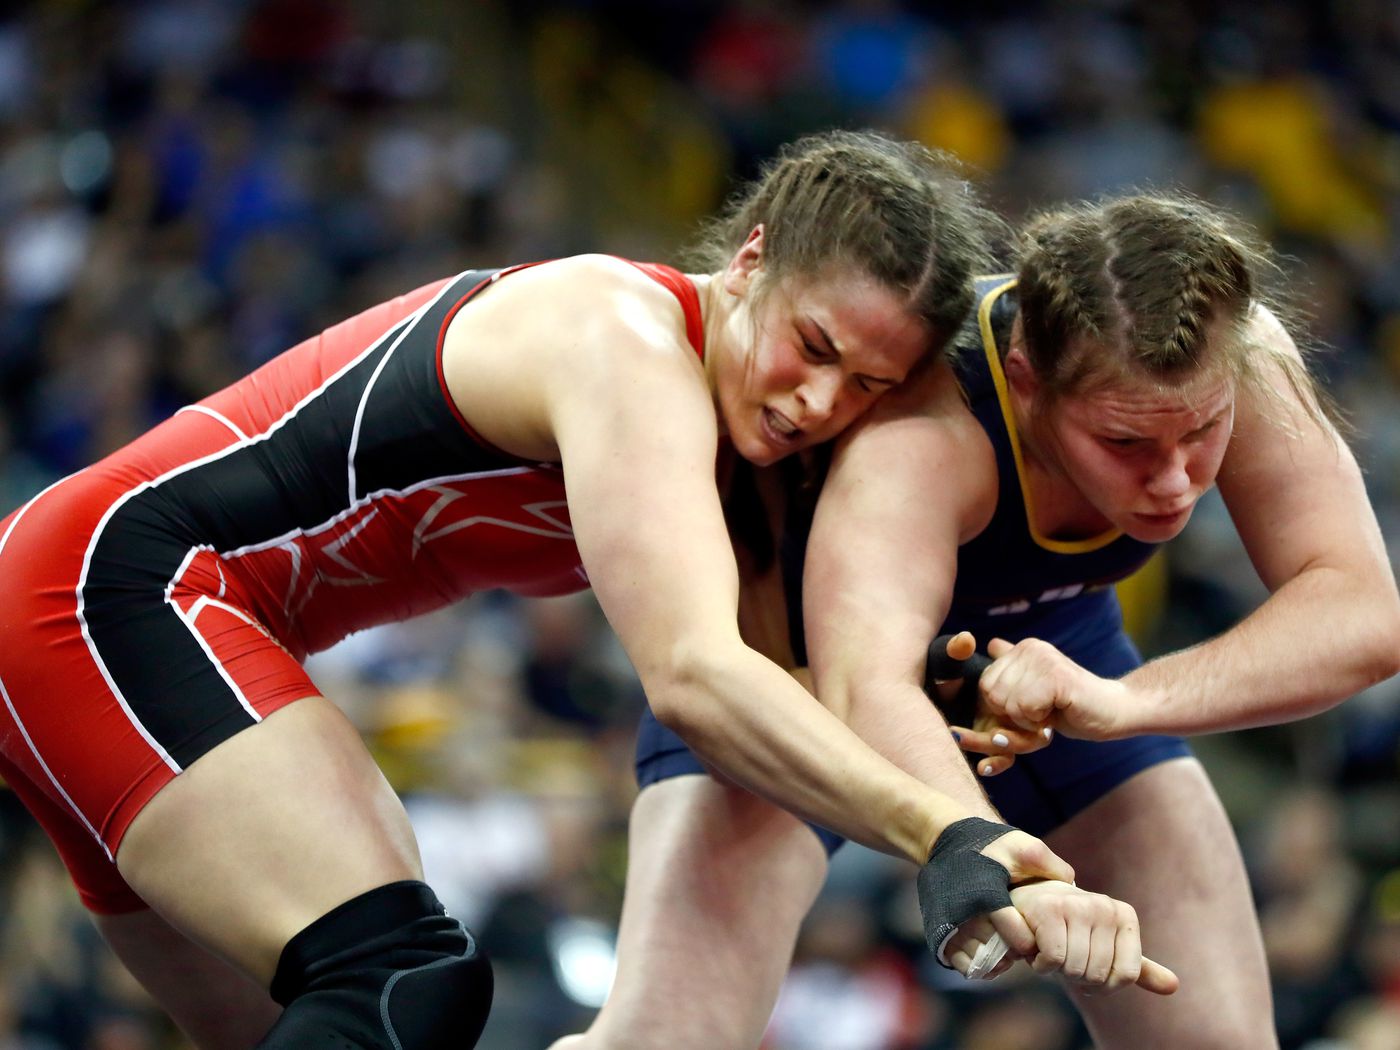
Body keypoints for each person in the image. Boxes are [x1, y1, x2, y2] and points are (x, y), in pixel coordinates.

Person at [0, 130, 1159, 1050]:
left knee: (312, 1023)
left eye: (864, 385)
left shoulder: (742, 469)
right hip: (116, 588)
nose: (816, 404)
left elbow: (793, 707)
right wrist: (943, 827)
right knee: (402, 978)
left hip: (132, 624)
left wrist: (971, 784)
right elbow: (694, 679)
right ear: (747, 260)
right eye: (809, 347)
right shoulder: (620, 336)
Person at [564, 193, 1400, 1050]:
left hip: (1059, 670)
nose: (1177, 481)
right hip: (807, 684)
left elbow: (1364, 614)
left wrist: (1123, 701)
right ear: (1026, 375)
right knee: (659, 1041)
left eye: (1205, 433)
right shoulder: (928, 432)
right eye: (1125, 444)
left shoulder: (1240, 354)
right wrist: (987, 848)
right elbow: (867, 683)